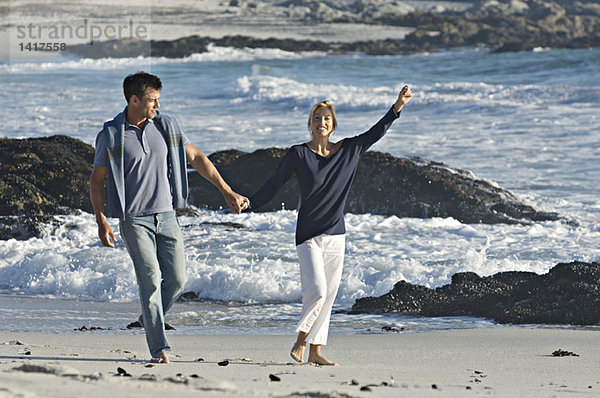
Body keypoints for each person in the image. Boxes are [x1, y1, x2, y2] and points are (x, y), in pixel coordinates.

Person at [246, 85, 413, 366]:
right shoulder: (298, 154)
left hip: (336, 234)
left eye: (326, 118)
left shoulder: (349, 150)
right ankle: (301, 340)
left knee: (328, 296)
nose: (321, 122)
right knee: (317, 291)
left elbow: (377, 132)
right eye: (316, 118)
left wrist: (398, 106)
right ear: (310, 124)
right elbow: (274, 184)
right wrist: (249, 203)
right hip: (308, 234)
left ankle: (315, 351)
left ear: (333, 125)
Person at [89, 71, 249, 364]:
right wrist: (101, 219)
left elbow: (197, 157)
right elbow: (97, 181)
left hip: (167, 215)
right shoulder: (111, 134)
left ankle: (148, 318)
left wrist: (227, 192)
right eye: (152, 101)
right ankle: (159, 348)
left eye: (158, 100)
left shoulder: (166, 126)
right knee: (149, 279)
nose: (157, 106)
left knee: (176, 280)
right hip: (134, 219)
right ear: (133, 99)